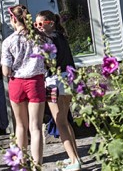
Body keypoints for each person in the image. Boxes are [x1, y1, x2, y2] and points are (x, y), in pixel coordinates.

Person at [1, 5, 46, 167]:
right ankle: (37, 164)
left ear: (13, 19)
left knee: (20, 125)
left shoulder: (8, 42)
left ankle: (21, 161)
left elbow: (6, 71)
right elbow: (50, 58)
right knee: (36, 127)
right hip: (35, 81)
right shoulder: (39, 38)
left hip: (17, 83)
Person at [35, 10, 81, 171]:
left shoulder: (49, 40)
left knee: (59, 121)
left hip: (54, 81)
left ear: (51, 23)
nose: (38, 27)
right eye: (36, 24)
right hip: (69, 78)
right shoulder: (62, 36)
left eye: (41, 24)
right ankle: (74, 156)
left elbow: (49, 62)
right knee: (65, 120)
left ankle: (74, 160)